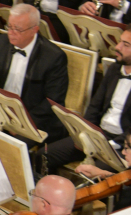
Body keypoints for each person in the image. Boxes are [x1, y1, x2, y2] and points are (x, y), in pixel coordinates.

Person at [0, 4, 68, 142]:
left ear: (35, 30)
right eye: (10, 26)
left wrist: (21, 123)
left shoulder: (53, 57)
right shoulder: (2, 42)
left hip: (33, 120)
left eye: (18, 29)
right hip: (1, 111)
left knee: (7, 145)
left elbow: (53, 102)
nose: (11, 32)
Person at [44, 31, 131, 171]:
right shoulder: (115, 68)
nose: (118, 47)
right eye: (120, 41)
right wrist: (86, 133)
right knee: (45, 154)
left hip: (122, 145)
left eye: (126, 45)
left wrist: (111, 144)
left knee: (96, 174)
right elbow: (95, 106)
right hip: (98, 134)